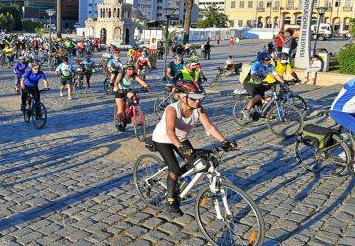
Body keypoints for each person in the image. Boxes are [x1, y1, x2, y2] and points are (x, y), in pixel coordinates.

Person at [151, 81, 237, 216]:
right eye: (193, 98)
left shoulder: (198, 109)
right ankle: (171, 200)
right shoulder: (172, 109)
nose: (198, 101)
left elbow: (209, 127)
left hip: (181, 138)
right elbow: (170, 132)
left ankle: (177, 178)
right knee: (174, 168)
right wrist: (180, 147)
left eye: (200, 98)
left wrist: (225, 141)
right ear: (182, 96)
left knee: (196, 163)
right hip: (163, 139)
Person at [241, 51, 285, 120]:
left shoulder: (270, 66)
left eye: (269, 59)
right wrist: (260, 81)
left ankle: (263, 113)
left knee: (269, 98)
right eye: (267, 59)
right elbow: (253, 75)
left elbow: (276, 75)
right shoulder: (256, 64)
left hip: (259, 84)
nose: (269, 61)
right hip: (250, 83)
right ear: (261, 60)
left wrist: (283, 82)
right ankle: (246, 110)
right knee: (258, 96)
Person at [113, 64, 149, 132]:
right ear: (126, 69)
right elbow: (116, 83)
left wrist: (147, 86)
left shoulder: (134, 76)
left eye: (132, 69)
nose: (131, 71)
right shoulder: (121, 74)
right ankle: (119, 123)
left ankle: (134, 115)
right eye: (129, 69)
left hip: (127, 90)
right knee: (120, 108)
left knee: (134, 100)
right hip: (119, 91)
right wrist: (118, 89)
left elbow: (140, 81)